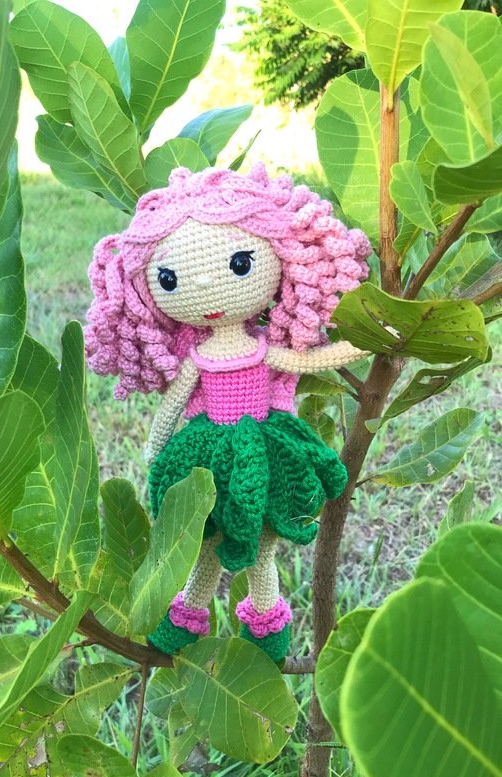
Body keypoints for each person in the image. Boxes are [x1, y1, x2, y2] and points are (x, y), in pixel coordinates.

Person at [85, 163, 371, 662]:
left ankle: (265, 620)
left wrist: (363, 342)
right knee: (207, 536)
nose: (206, 289)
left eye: (240, 264)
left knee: (260, 541)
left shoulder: (261, 350)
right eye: (170, 279)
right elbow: (174, 404)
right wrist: (157, 446)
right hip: (209, 451)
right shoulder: (197, 358)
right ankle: (189, 614)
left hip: (260, 446)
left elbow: (307, 361)